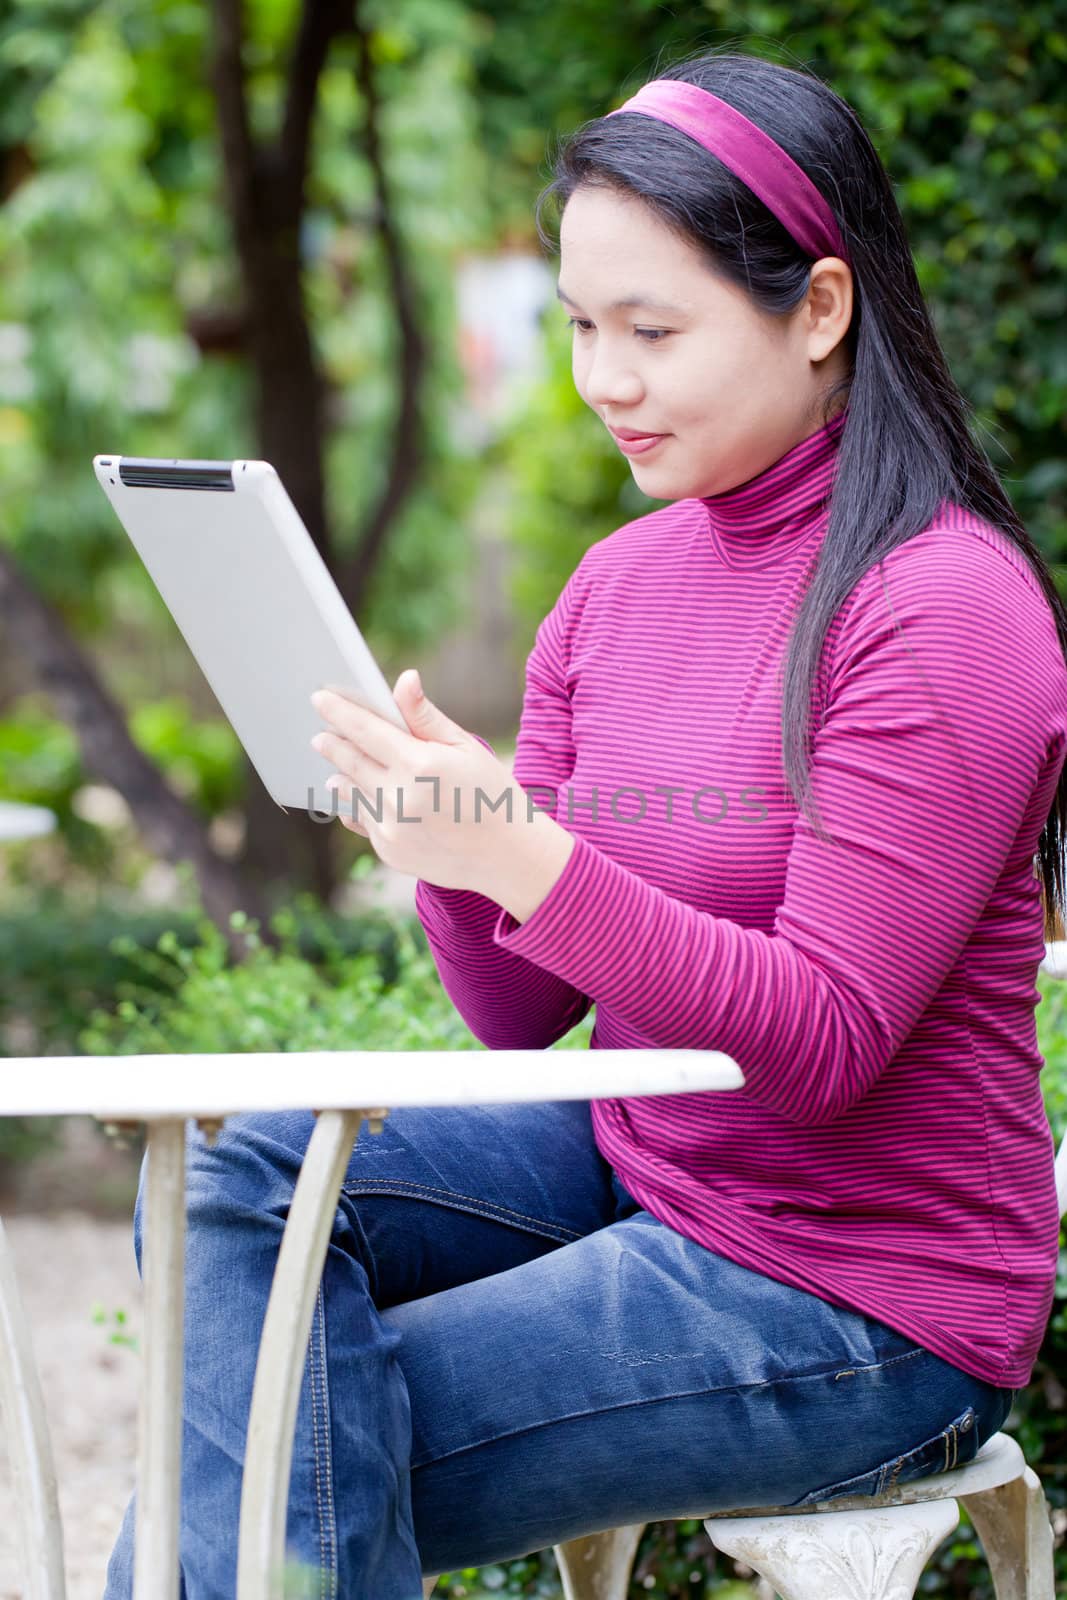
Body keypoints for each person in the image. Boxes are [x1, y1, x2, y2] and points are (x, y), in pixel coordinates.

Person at [103, 46, 1067, 1600]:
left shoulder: (940, 606)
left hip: (857, 1295)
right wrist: (437, 846)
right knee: (241, 1180)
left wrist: (520, 852)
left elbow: (822, 1043)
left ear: (820, 310)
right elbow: (520, 1011)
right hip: (645, 1159)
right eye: (576, 327)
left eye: (653, 330)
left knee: (241, 1467)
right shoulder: (615, 589)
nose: (602, 379)